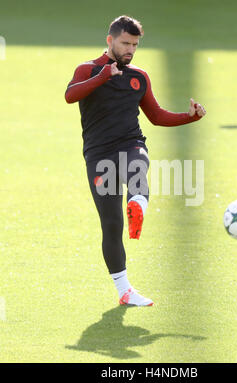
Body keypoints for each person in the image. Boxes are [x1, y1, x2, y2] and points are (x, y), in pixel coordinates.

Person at [65, 15, 206, 306]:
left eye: (135, 45)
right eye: (125, 43)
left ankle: (137, 205)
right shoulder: (87, 70)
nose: (130, 49)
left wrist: (189, 117)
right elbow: (70, 95)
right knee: (111, 224)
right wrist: (103, 76)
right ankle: (125, 291)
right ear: (110, 40)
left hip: (130, 143)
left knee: (138, 164)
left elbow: (155, 116)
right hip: (98, 155)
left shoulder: (138, 77)